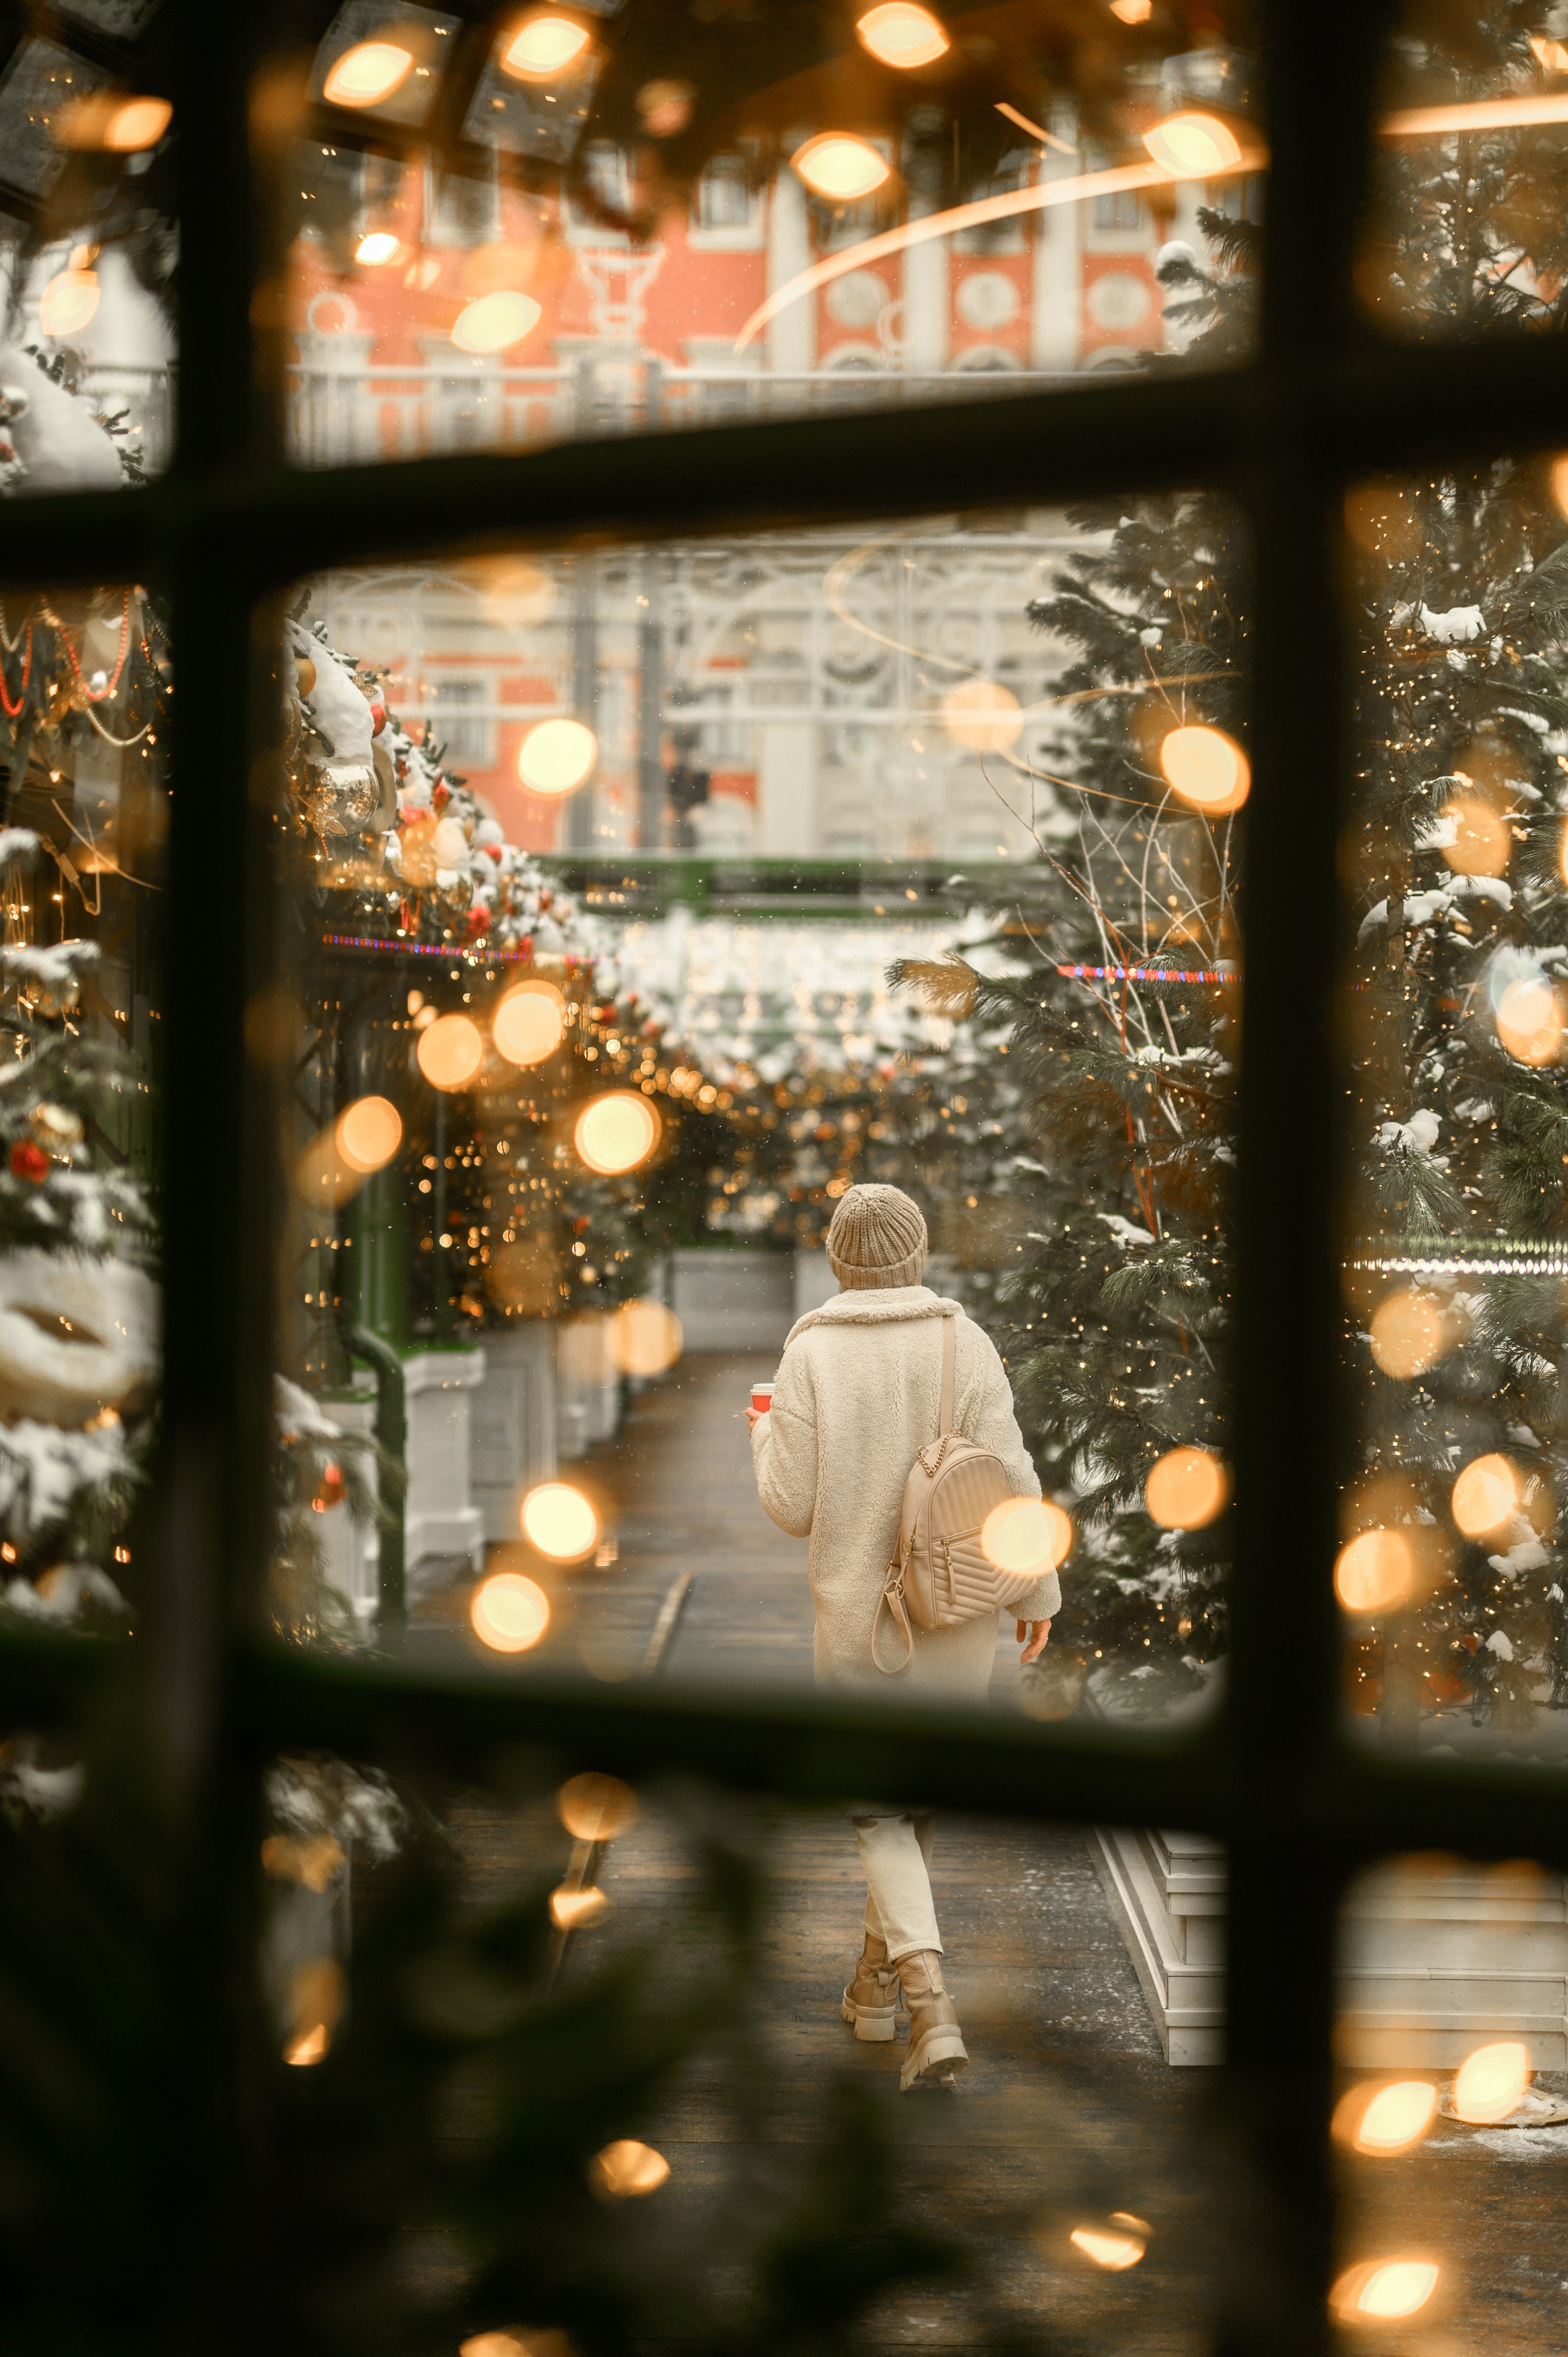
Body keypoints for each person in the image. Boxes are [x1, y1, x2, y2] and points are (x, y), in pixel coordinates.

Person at [747, 1181, 1058, 2089]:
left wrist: (762, 1428)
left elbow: (789, 1507)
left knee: (877, 1802)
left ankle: (929, 2002)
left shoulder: (809, 1355)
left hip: (860, 1621)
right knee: (913, 1795)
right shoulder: (966, 1342)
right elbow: (1013, 1481)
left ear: (841, 1260)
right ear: (916, 1255)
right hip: (956, 1609)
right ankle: (873, 1992)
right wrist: (1032, 1590)